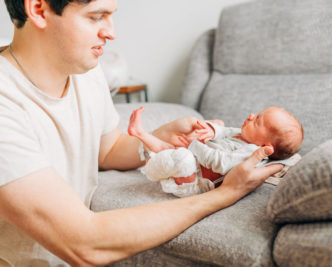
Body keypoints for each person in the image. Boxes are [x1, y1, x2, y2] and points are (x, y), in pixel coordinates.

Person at [0, 0, 284, 266]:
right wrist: (226, 193)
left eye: (111, 16)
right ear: (38, 8)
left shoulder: (84, 72)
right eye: (96, 17)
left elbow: (107, 150)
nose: (111, 33)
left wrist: (158, 137)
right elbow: (85, 243)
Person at [128, 106, 303, 196]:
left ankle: (153, 164)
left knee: (182, 156)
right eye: (256, 114)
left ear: (266, 146)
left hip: (197, 182)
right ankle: (141, 135)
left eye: (257, 121)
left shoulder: (250, 151)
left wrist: (193, 144)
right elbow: (225, 131)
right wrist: (212, 130)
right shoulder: (243, 134)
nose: (251, 115)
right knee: (181, 146)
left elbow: (220, 163)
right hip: (195, 160)